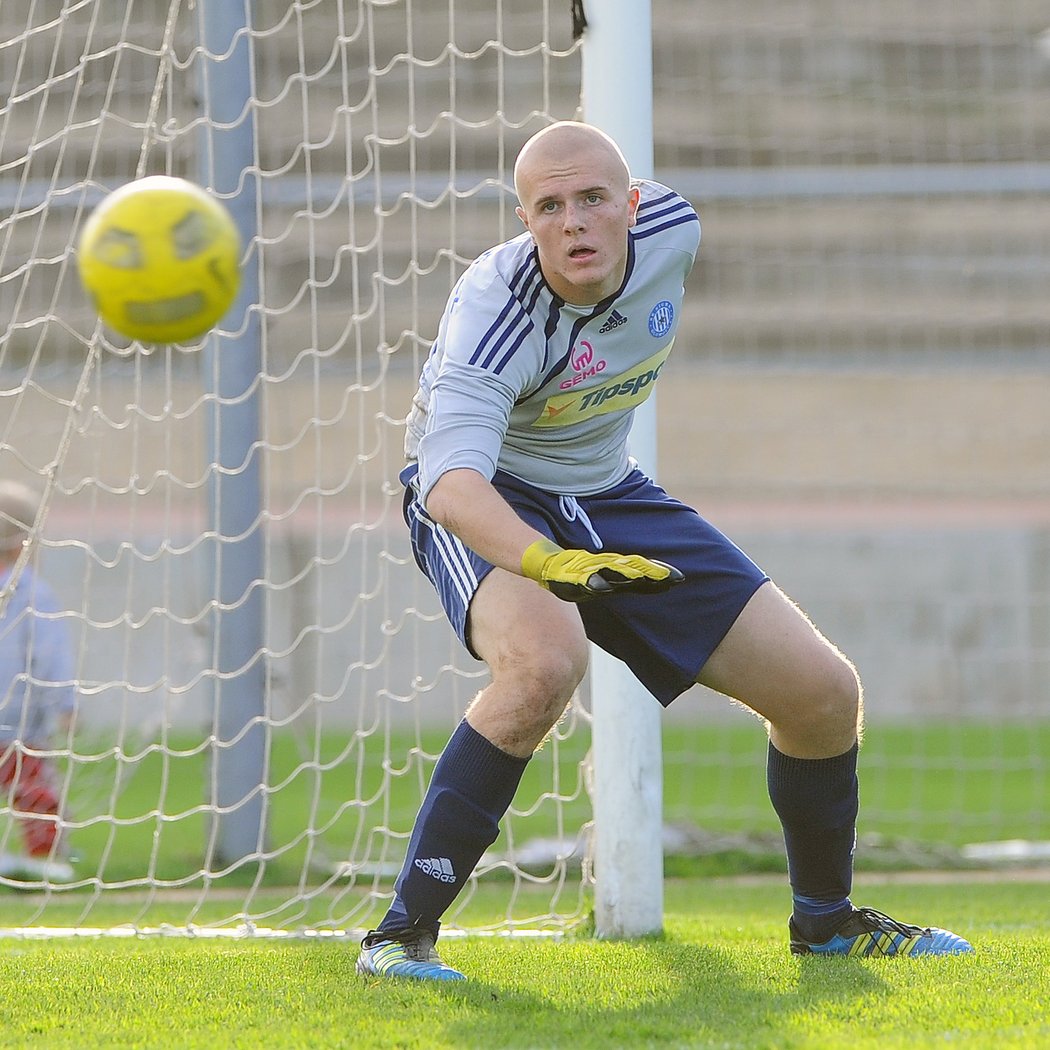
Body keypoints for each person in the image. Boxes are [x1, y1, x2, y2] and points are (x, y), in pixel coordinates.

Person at [357, 121, 973, 981]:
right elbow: (448, 485)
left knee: (823, 695)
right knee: (542, 666)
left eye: (593, 200)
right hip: (495, 495)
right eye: (549, 207)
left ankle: (826, 926)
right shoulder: (494, 311)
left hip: (610, 491)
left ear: (633, 206)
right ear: (525, 220)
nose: (574, 223)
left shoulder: (675, 231)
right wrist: (545, 561)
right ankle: (399, 937)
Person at [0, 481, 76, 883]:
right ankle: (45, 858)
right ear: (24, 542)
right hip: (20, 721)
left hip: (17, 720)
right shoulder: (33, 592)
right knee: (33, 792)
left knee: (30, 789)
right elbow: (51, 653)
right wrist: (65, 702)